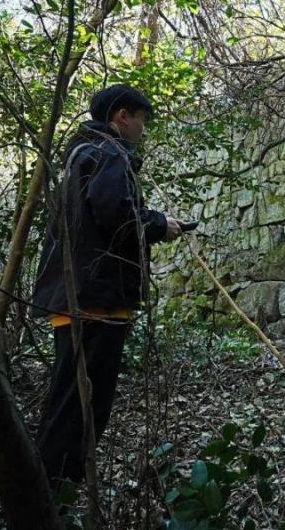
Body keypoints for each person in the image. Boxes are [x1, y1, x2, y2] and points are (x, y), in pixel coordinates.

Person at [32, 84, 182, 485]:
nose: (143, 131)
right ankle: (53, 498)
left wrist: (151, 218)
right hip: (96, 302)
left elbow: (99, 213)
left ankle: (45, 492)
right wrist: (156, 226)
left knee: (67, 402)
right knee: (84, 407)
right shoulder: (110, 152)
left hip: (74, 297)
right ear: (121, 116)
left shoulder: (81, 156)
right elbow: (115, 212)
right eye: (142, 121)